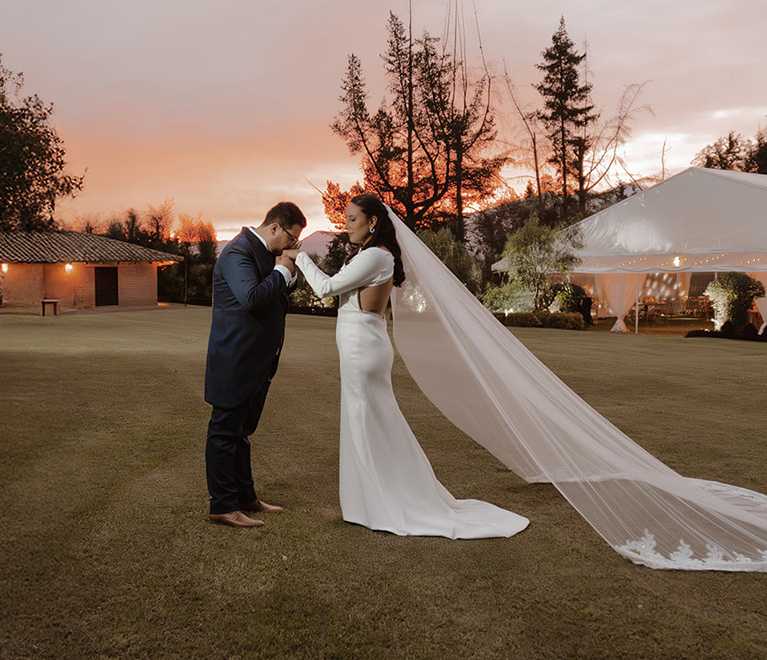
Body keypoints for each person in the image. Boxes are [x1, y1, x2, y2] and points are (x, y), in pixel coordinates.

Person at [294, 195, 529, 539]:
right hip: (361, 346)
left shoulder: (376, 256)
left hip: (364, 349)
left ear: (373, 221)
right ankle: (368, 502)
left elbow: (325, 287)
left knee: (368, 423)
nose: (346, 225)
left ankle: (382, 503)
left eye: (352, 219)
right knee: (371, 423)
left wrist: (299, 256)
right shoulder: (368, 255)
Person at [203, 201, 307, 528]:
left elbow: (275, 294)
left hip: (256, 360)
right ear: (275, 227)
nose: (293, 246)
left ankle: (245, 497)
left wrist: (286, 274)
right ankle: (222, 505)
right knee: (224, 432)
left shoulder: (267, 255)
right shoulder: (238, 252)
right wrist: (283, 270)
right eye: (292, 238)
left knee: (241, 433)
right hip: (234, 358)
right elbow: (250, 297)